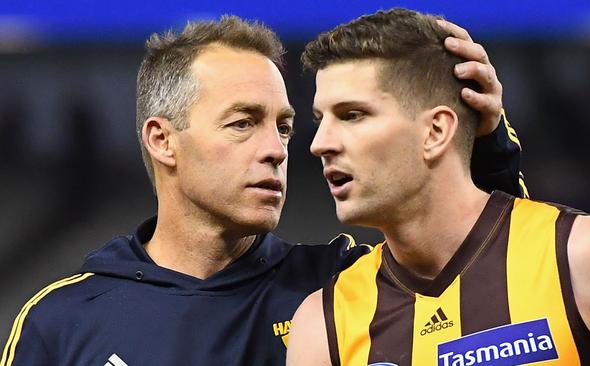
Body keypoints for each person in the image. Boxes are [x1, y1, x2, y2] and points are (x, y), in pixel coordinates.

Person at [1, 15, 525, 366]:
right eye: (243, 123)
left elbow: (511, 284)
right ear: (163, 140)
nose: (276, 150)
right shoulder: (61, 323)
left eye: (283, 127)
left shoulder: (345, 282)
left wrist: (488, 141)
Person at [287, 8, 590, 366]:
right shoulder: (324, 326)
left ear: (436, 131)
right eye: (321, 119)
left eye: (352, 115)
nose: (320, 143)